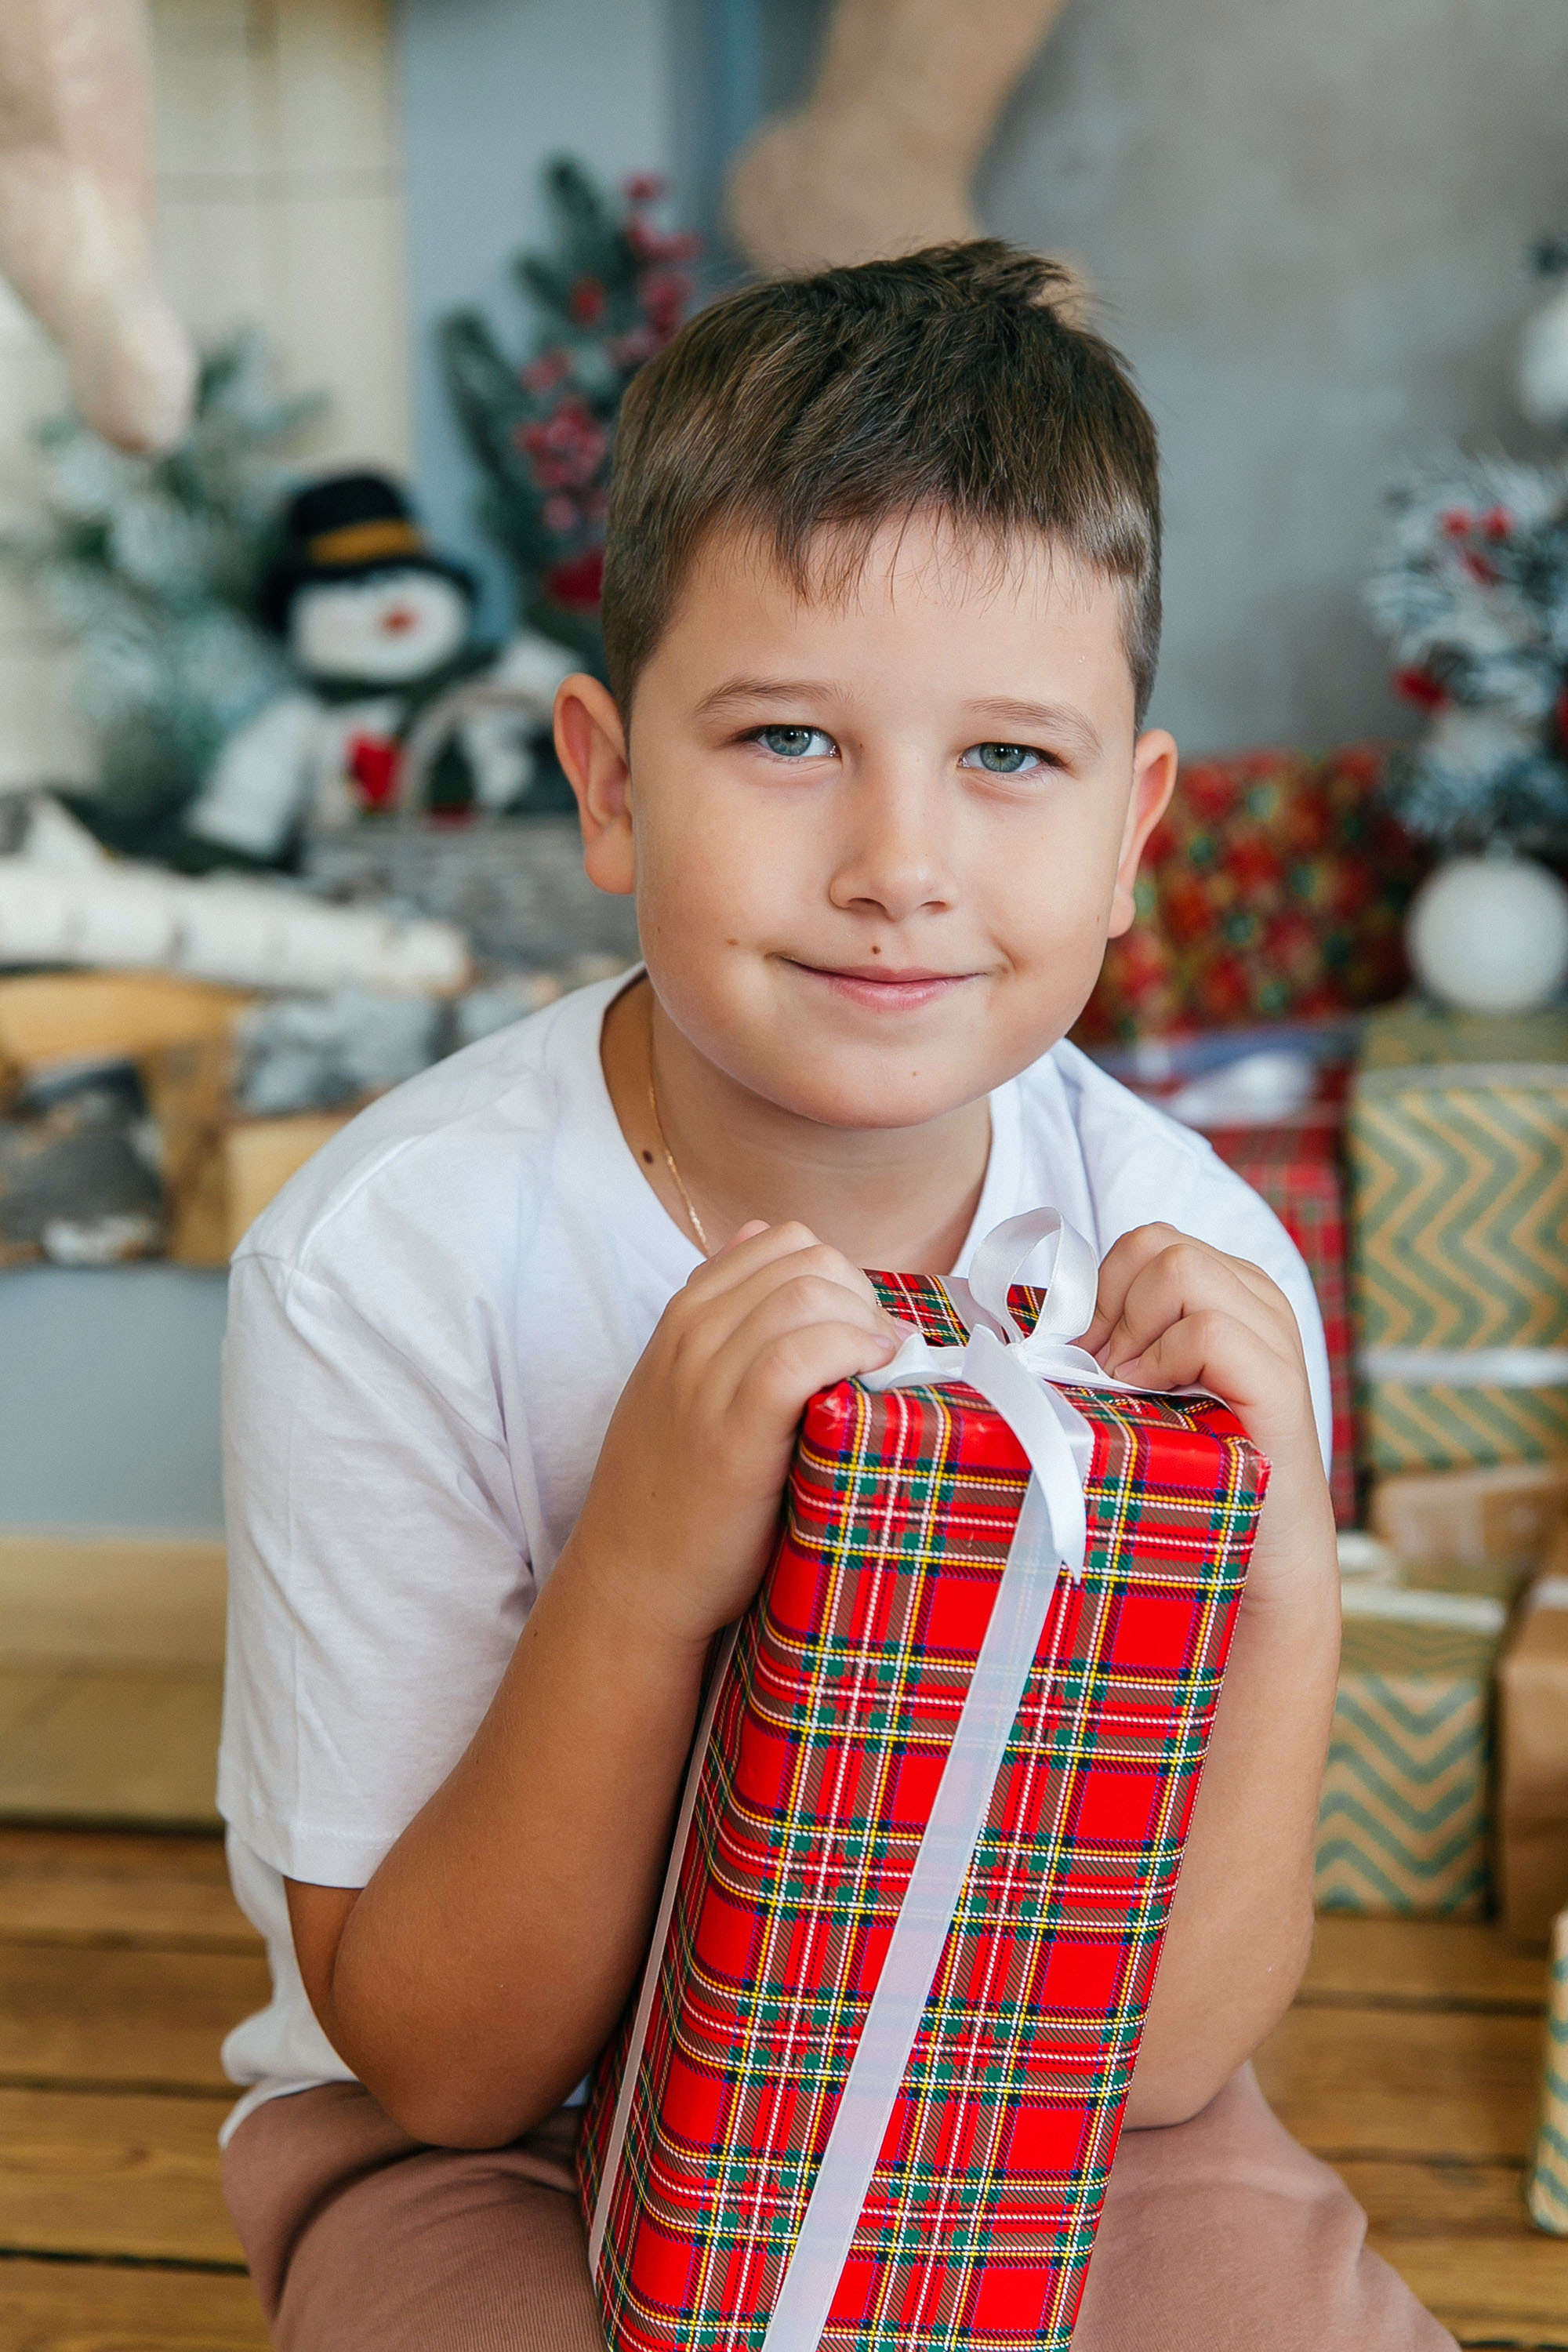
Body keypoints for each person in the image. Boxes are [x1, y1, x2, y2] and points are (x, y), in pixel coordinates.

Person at [217, 244, 1452, 2351]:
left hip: (1038, 2097)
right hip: (503, 2137)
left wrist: (1290, 1576)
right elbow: (439, 2063)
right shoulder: (385, 1266)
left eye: (1011, 761)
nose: (902, 858)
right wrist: (638, 1571)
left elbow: (1161, 2064)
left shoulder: (1195, 1269)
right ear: (609, 783)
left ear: (1137, 822)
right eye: (790, 736)